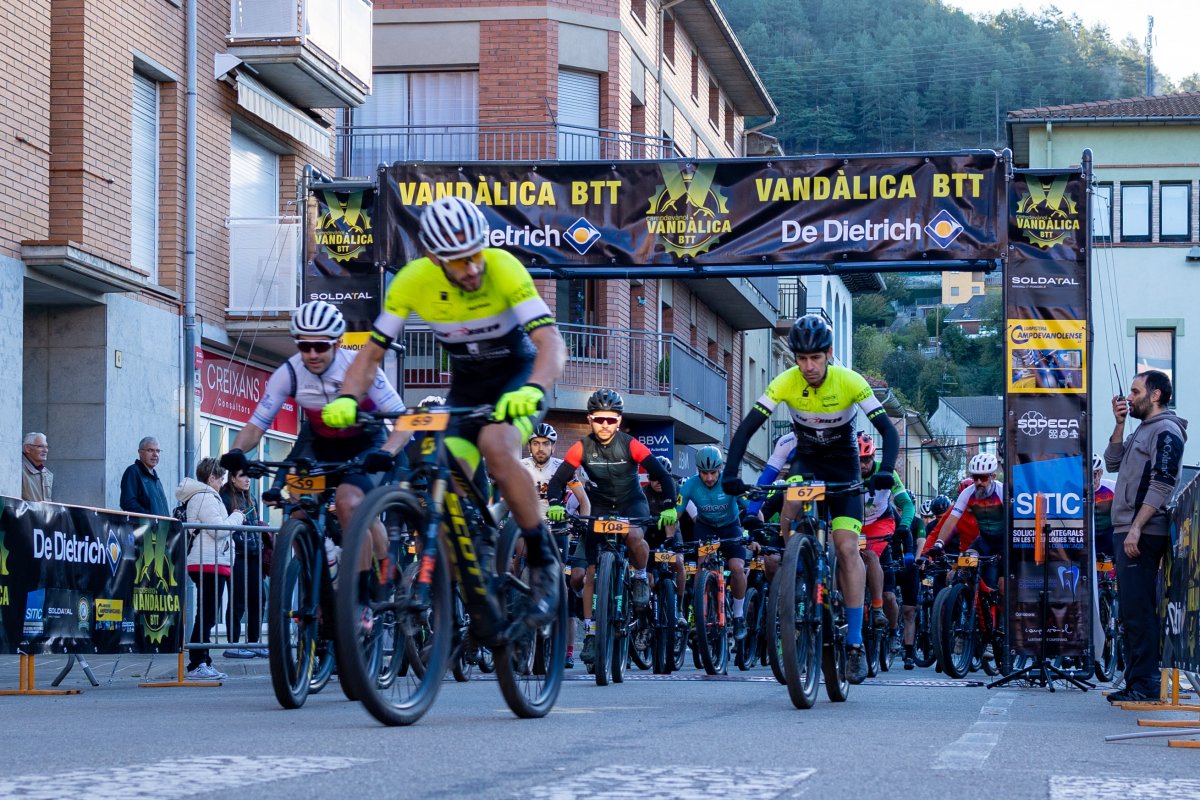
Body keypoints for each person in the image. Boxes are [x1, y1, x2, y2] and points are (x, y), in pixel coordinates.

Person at [321, 196, 567, 628]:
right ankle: (475, 555)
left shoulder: (504, 267)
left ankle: (543, 561)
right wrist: (346, 397)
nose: (472, 268)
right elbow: (371, 354)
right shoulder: (412, 281)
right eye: (458, 261)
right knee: (444, 472)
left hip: (517, 375)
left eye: (475, 255)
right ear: (434, 258)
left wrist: (532, 389)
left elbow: (552, 344)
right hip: (466, 385)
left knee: (495, 444)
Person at [720, 314, 901, 685]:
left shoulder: (850, 381)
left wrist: (886, 467)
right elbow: (746, 428)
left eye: (815, 358)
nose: (808, 367)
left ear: (828, 354)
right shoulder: (786, 382)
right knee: (790, 499)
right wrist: (731, 472)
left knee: (847, 547)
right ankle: (795, 562)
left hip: (843, 466)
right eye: (801, 359)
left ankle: (854, 644)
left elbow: (886, 428)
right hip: (806, 461)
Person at [220, 301, 410, 584]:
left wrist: (387, 452)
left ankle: (370, 582)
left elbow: (404, 421)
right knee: (296, 510)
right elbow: (256, 425)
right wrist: (236, 451)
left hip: (365, 445)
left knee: (349, 503)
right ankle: (318, 581)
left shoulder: (359, 368)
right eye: (304, 345)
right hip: (322, 445)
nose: (311, 354)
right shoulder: (290, 373)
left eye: (320, 346)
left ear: (338, 342)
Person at [545, 389, 677, 668]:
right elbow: (558, 481)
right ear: (590, 419)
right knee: (591, 572)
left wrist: (668, 505)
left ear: (619, 420)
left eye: (611, 419)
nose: (605, 425)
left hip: (631, 502)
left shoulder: (631, 445)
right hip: (601, 505)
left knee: (634, 535)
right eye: (599, 420)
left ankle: (640, 576)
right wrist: (555, 503)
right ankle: (592, 633)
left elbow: (662, 475)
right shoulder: (580, 447)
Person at [1105, 370, 1187, 703]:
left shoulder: (1166, 430)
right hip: (1128, 528)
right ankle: (1137, 680)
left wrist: (1137, 528)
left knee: (1138, 610)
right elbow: (1112, 463)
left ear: (1155, 395)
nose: (1130, 396)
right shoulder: (1144, 428)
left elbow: (1164, 481)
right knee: (1131, 609)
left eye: (1136, 391)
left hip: (1141, 531)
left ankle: (1147, 684)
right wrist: (1120, 423)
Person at [520, 422, 590, 668]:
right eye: (537, 443)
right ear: (529, 445)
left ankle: (558, 624)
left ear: (552, 446)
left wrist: (582, 525)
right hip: (528, 527)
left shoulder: (562, 468)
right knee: (512, 566)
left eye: (546, 444)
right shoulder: (521, 467)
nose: (541, 448)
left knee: (559, 579)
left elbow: (584, 501)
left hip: (558, 529)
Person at [678, 446, 752, 640]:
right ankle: (699, 617)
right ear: (698, 471)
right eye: (704, 473)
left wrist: (756, 534)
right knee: (702, 565)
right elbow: (676, 515)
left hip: (730, 527)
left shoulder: (731, 483)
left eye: (713, 472)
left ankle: (738, 616)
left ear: (720, 469)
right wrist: (670, 538)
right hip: (706, 528)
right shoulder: (690, 485)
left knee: (736, 567)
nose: (709, 478)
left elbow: (752, 511)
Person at [177, 458, 241, 681]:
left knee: (208, 613)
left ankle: (202, 661)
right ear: (211, 477)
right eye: (221, 478)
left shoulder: (204, 496)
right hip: (208, 562)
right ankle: (197, 663)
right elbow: (219, 530)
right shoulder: (205, 496)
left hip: (211, 561)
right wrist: (237, 517)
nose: (223, 483)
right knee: (207, 614)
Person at [857, 433, 915, 655]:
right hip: (854, 523)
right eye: (858, 460)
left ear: (873, 457)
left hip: (880, 524)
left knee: (872, 559)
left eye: (866, 460)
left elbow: (907, 505)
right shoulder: (847, 470)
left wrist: (904, 526)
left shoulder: (886, 470)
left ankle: (888, 624)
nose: (862, 465)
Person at [929, 453, 1005, 593]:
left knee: (1002, 586)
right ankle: (969, 602)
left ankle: (1000, 613)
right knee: (965, 563)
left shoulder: (1003, 492)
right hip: (984, 540)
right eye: (975, 477)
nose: (978, 482)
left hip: (1004, 543)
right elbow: (952, 520)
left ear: (993, 477)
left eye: (982, 478)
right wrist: (939, 544)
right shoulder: (967, 493)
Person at [221, 469, 267, 659]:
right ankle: (232, 643)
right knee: (238, 600)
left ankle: (254, 642)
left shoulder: (251, 498)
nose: (248, 479)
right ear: (232, 478)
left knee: (259, 598)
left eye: (249, 476)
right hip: (237, 555)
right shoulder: (224, 497)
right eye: (243, 476)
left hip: (254, 554)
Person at [120, 436, 170, 516]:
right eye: (150, 450)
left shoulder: (156, 478)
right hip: (145, 527)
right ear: (140, 452)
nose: (155, 454)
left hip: (161, 527)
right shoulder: (133, 472)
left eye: (158, 451)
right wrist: (151, 519)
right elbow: (128, 503)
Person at [21, 432, 53, 502]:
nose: (45, 450)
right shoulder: (17, 470)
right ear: (28, 449)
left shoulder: (48, 474)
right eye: (40, 446)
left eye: (46, 447)